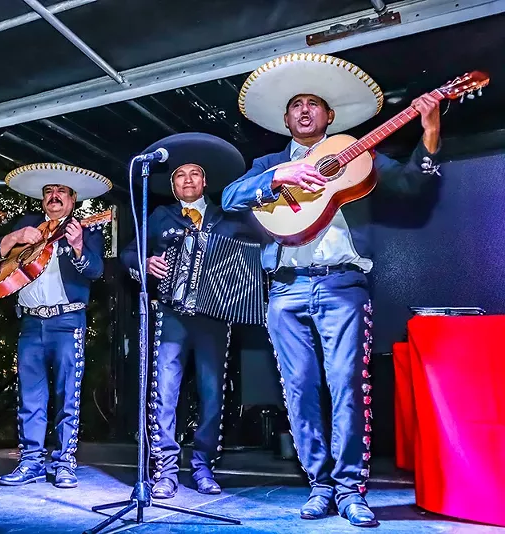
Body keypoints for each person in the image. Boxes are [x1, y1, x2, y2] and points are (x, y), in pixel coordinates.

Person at [222, 53, 442, 527]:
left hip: (342, 284)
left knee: (346, 388)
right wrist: (276, 177)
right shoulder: (268, 162)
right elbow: (228, 198)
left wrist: (428, 133)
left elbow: (413, 187)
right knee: (298, 390)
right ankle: (319, 485)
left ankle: (350, 489)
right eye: (296, 105)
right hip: (284, 290)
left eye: (313, 105)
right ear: (286, 119)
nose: (304, 111)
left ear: (329, 117)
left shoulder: (357, 152)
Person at [121, 133, 263, 499]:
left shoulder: (229, 217)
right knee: (163, 392)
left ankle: (203, 467)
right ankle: (165, 471)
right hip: (170, 314)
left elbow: (251, 257)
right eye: (180, 175)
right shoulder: (159, 216)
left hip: (215, 318)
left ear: (204, 181)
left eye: (194, 174)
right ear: (172, 183)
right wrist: (144, 263)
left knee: (212, 394)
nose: (187, 179)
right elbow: (129, 254)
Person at [0, 163, 110, 489]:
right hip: (30, 321)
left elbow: (95, 271)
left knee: (68, 394)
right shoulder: (27, 225)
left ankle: (65, 463)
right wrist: (14, 236)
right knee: (31, 395)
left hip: (68, 319)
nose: (54, 197)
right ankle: (30, 462)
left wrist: (80, 246)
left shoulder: (88, 230)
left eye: (61, 192)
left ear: (73, 200)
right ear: (43, 199)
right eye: (49, 192)